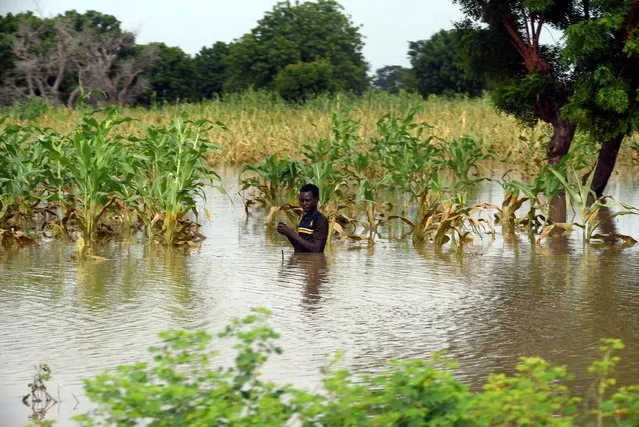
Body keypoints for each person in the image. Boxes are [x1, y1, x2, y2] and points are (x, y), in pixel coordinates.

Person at [277, 184, 328, 253]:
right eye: (301, 201)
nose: (304, 203)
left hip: (313, 263)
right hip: (302, 261)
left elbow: (317, 249)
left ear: (317, 199)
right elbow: (298, 246)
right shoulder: (305, 217)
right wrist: (287, 233)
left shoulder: (320, 220)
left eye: (307, 200)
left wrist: (291, 233)